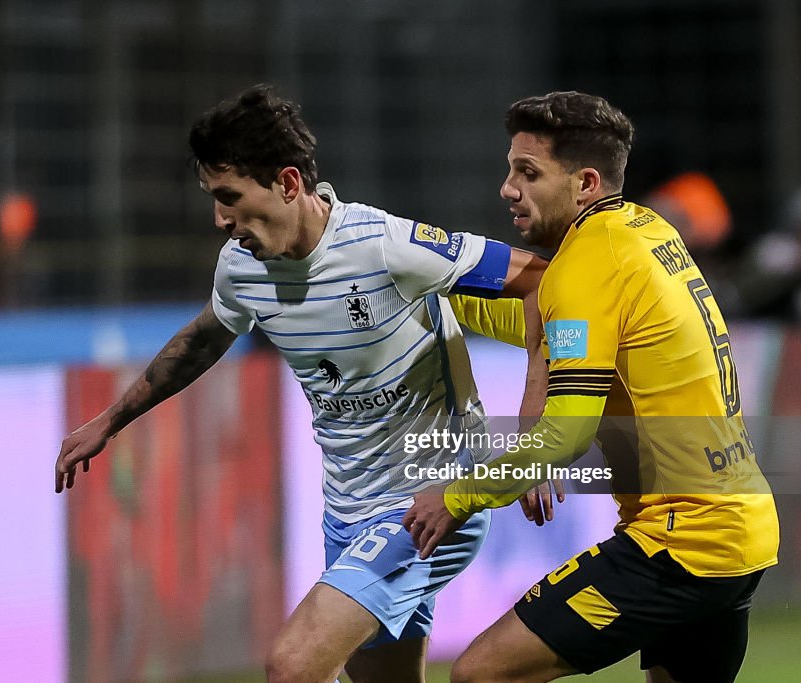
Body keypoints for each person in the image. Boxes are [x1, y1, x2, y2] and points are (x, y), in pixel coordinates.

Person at [55, 84, 551, 683]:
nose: (221, 219)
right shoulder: (242, 267)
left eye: (230, 198)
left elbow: (542, 281)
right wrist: (109, 421)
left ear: (288, 184)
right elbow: (204, 338)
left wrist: (535, 432)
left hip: (431, 502)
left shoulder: (385, 246)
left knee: (291, 665)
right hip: (346, 511)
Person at [403, 91, 780, 683]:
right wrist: (437, 297)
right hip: (742, 530)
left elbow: (568, 433)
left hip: (682, 542)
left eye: (528, 172)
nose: (508, 188)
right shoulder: (642, 231)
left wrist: (456, 498)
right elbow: (561, 328)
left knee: (481, 673)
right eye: (510, 169)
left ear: (583, 183)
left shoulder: (586, 262)